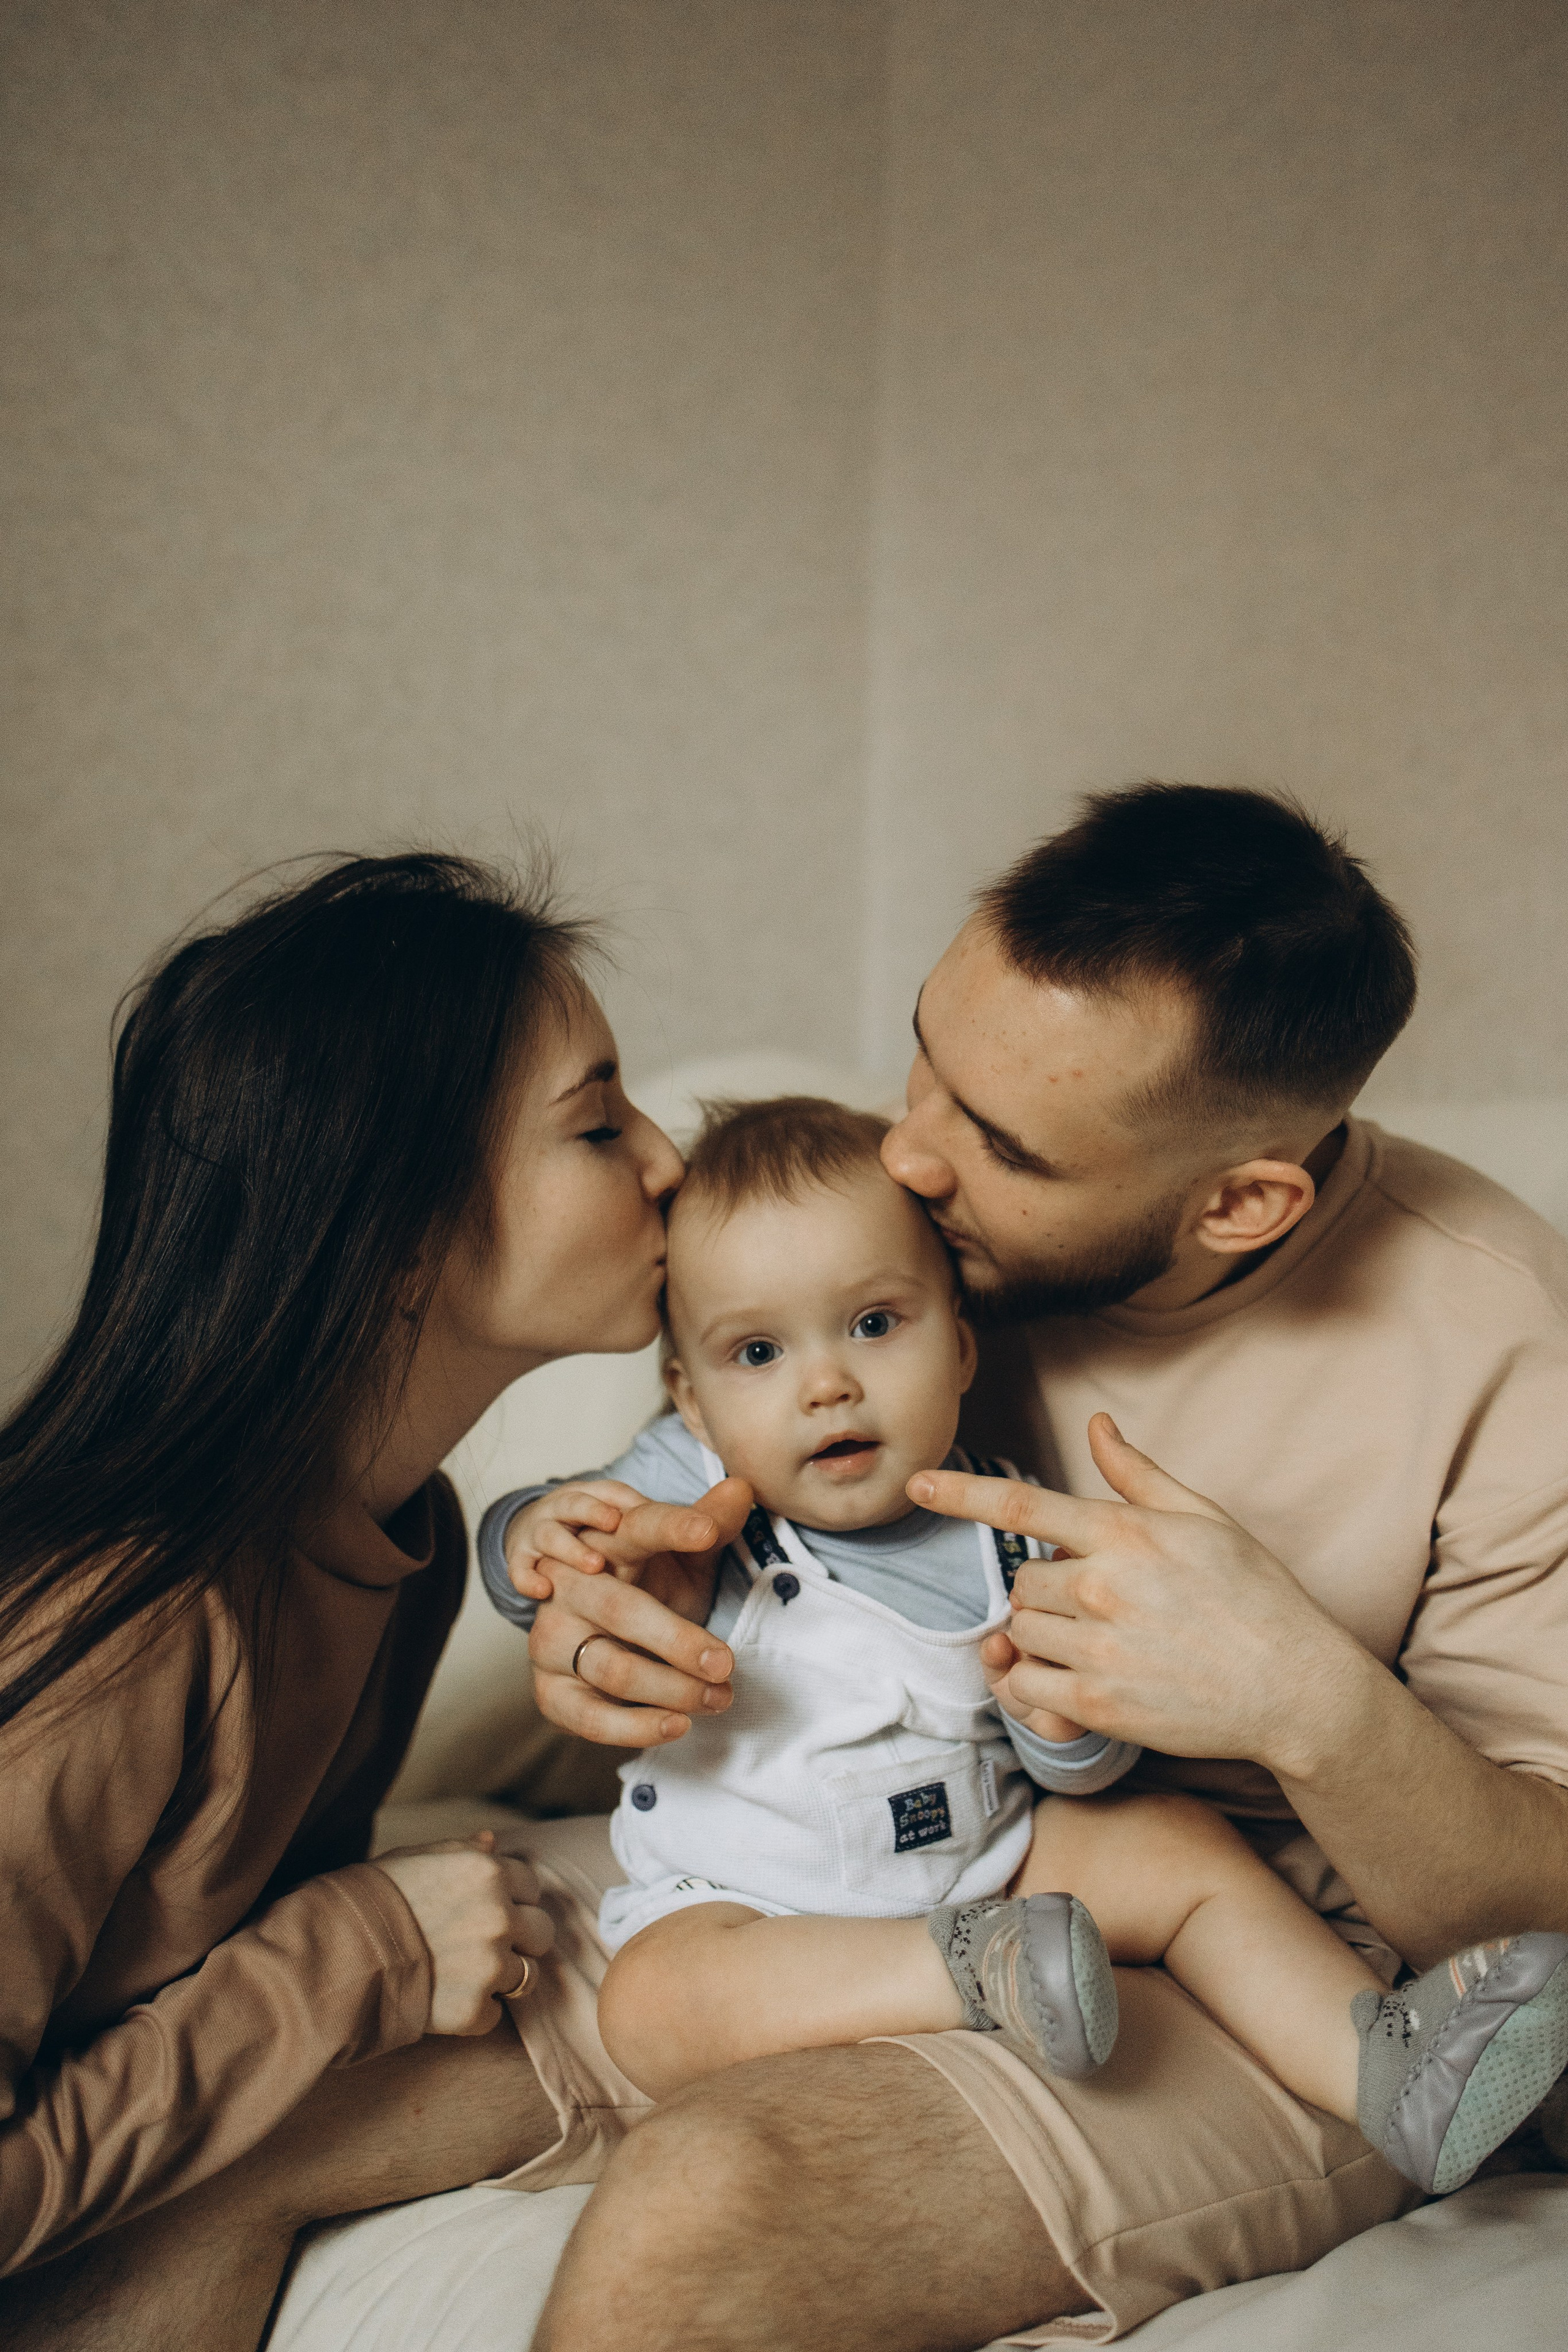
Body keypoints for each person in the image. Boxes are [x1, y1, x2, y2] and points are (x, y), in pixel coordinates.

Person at [510, 786, 1568, 2351]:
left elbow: (1541, 1904)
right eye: (922, 1063)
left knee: (699, 2207)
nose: (909, 1158)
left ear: (1237, 1201)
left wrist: (1304, 1704)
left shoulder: (1495, 1343)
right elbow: (664, 1495)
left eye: (995, 1143)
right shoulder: (898, 1231)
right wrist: (586, 1612)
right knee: (320, 2068)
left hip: (1244, 1942)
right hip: (838, 1846)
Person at [484, 1090, 1568, 2185]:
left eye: (873, 1324)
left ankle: (1390, 2069)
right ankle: (965, 1973)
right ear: (693, 1398)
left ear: (960, 1348)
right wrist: (538, 1536)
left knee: (1181, 1843)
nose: (827, 1383)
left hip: (991, 1862)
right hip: (748, 1894)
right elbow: (549, 1573)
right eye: (758, 1351)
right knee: (651, 2002)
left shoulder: (1011, 1524)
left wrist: (1060, 1730)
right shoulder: (692, 1489)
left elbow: (1083, 1768)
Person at [0, 851, 720, 2351]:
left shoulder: (413, 1533)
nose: (665, 1159)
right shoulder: (133, 1626)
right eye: (595, 1124)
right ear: (396, 1236)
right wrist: (352, 1952)